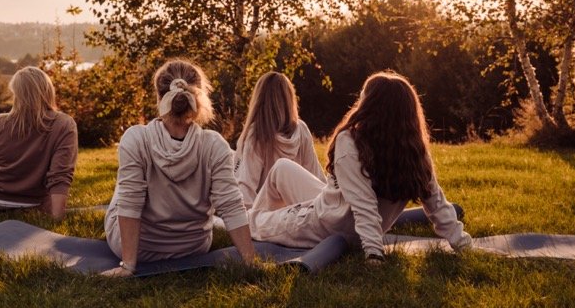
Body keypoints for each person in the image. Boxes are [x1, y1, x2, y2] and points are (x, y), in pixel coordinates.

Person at [249, 71, 471, 260]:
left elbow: (364, 206)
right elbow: (438, 205)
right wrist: (462, 244)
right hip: (338, 213)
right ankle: (246, 214)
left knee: (253, 221)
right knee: (282, 168)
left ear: (371, 106)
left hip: (319, 226)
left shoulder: (351, 140)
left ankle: (226, 221)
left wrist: (374, 254)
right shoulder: (413, 150)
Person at [103, 59, 257, 276]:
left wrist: (128, 266)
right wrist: (251, 262)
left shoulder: (136, 138)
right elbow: (231, 205)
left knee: (125, 188)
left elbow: (130, 202)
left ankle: (130, 258)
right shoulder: (215, 145)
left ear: (159, 97)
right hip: (192, 248)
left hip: (140, 250)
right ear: (199, 97)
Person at [0, 66, 78, 219]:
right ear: (48, 91)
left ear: (16, 93)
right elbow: (60, 175)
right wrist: (58, 219)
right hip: (34, 204)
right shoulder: (64, 124)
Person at [234, 71, 324, 208]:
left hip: (267, 215)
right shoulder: (302, 129)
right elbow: (316, 177)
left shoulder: (258, 133)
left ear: (259, 100)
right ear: (289, 100)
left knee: (231, 160)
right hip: (297, 210)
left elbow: (245, 190)